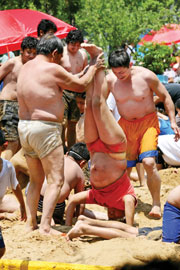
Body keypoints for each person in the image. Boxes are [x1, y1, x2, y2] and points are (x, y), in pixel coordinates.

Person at [17, 33, 104, 235]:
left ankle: (31, 223)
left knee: (36, 180)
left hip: (25, 127)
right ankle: (46, 226)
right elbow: (80, 85)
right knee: (56, 180)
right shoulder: (52, 68)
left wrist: (86, 68)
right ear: (55, 53)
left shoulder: (26, 67)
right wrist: (94, 64)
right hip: (45, 128)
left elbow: (71, 78)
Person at [106, 49, 180, 219]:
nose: (119, 76)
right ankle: (122, 201)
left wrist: (173, 122)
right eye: (116, 73)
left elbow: (166, 97)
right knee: (123, 167)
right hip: (124, 125)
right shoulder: (110, 80)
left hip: (147, 123)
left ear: (130, 66)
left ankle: (156, 203)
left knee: (148, 162)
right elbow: (100, 104)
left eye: (122, 72)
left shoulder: (146, 76)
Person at [65, 59, 137, 227]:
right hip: (115, 149)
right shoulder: (126, 198)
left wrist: (68, 226)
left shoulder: (98, 198)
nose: (112, 213)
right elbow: (129, 204)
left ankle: (93, 63)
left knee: (90, 103)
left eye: (110, 216)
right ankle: (100, 65)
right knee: (98, 103)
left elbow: (74, 200)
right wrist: (126, 223)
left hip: (94, 148)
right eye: (117, 216)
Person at [26, 142, 90, 224]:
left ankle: (33, 214)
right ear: (83, 162)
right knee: (60, 206)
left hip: (33, 197)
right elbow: (80, 200)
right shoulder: (79, 173)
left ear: (67, 153)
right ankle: (54, 218)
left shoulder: (57, 159)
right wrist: (77, 218)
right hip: (54, 205)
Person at [0, 36, 38, 160]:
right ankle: (3, 174)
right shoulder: (13, 63)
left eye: (34, 53)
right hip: (8, 105)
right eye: (28, 52)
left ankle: (9, 173)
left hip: (23, 108)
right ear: (21, 50)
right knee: (11, 142)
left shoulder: (33, 67)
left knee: (21, 144)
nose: (31, 56)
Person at [60, 29, 88, 149]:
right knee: (63, 122)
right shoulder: (61, 54)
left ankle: (71, 150)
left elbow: (86, 71)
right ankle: (61, 148)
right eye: (73, 44)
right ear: (67, 42)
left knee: (73, 123)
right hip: (63, 90)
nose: (75, 47)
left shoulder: (83, 54)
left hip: (77, 91)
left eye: (78, 45)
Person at [0, 130, 26, 222]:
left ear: (4, 147)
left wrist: (22, 205)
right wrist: (3, 215)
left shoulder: (8, 166)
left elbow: (15, 186)